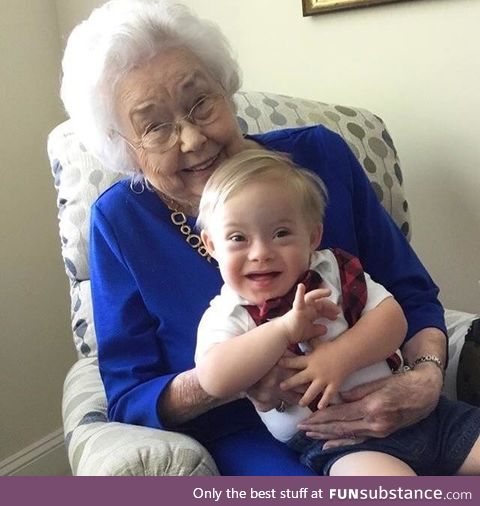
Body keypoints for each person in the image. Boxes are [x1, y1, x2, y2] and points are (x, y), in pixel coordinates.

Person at [59, 0, 475, 475]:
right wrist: (235, 377)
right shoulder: (120, 223)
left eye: (200, 103)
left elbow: (411, 293)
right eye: (154, 126)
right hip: (248, 435)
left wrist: (423, 377)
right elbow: (131, 395)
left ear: (227, 91)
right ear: (124, 148)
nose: (192, 138)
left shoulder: (318, 159)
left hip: (384, 390)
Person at [194, 150, 480, 475]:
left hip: (426, 416)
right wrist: (283, 330)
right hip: (342, 444)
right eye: (238, 238)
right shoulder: (229, 313)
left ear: (313, 236)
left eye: (281, 233)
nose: (261, 253)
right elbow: (214, 379)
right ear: (212, 245)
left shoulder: (334, 271)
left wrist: (338, 358)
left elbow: (392, 320)